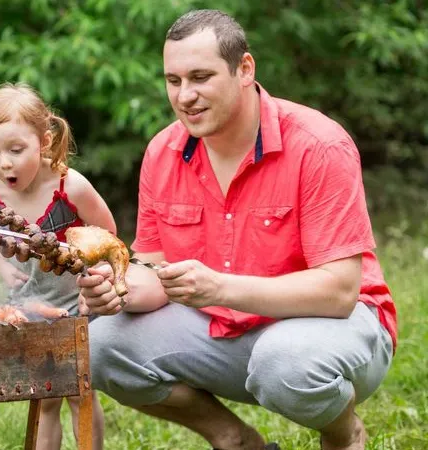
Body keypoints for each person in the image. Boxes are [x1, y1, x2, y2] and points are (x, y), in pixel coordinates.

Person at [76, 9, 396, 450]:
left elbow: (339, 293)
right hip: (224, 331)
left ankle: (343, 433)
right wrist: (116, 289)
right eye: (173, 81)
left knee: (283, 361)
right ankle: (233, 439)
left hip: (334, 330)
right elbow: (155, 268)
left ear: (244, 69)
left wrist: (220, 288)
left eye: (201, 77)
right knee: (101, 345)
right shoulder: (163, 151)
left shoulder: (319, 145)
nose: (185, 96)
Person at [0, 82, 109, 450]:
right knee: (46, 394)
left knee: (80, 392)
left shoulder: (72, 186)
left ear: (45, 141)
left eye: (16, 150)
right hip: (31, 305)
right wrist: (1, 267)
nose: (4, 162)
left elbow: (107, 231)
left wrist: (90, 267)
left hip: (77, 305)